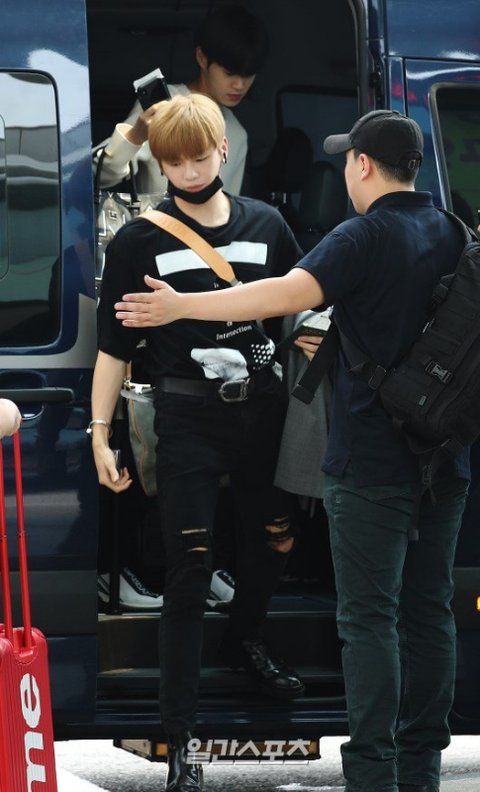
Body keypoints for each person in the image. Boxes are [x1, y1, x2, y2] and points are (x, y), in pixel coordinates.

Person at [115, 109, 471, 792]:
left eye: (347, 159)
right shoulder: (453, 231)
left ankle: (373, 776)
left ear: (362, 164)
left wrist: (181, 308)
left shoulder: (361, 235)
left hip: (371, 462)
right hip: (445, 458)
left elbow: (281, 294)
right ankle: (421, 770)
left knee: (370, 619)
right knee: (430, 614)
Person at [90, 93, 304, 792]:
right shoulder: (138, 241)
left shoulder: (268, 224)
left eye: (199, 157)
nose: (188, 171)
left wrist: (311, 336)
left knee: (276, 540)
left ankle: (245, 636)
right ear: (160, 161)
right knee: (189, 570)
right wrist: (100, 434)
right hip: (185, 416)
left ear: (223, 149)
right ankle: (179, 737)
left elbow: (304, 301)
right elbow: (114, 348)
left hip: (264, 414)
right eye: (174, 161)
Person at [96, 3, 268, 196]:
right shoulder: (163, 107)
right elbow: (98, 176)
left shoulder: (237, 134)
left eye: (248, 75)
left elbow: (230, 208)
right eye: (229, 73)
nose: (240, 85)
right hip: (155, 216)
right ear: (202, 58)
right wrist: (135, 136)